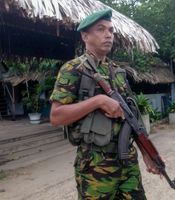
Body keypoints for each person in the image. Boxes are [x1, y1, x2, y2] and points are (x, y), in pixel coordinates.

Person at [50, 8, 155, 200]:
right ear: (85, 35)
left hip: (127, 163)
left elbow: (132, 119)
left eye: (111, 30)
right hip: (94, 166)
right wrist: (98, 101)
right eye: (100, 29)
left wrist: (147, 152)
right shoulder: (73, 69)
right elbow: (56, 116)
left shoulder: (118, 72)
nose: (108, 34)